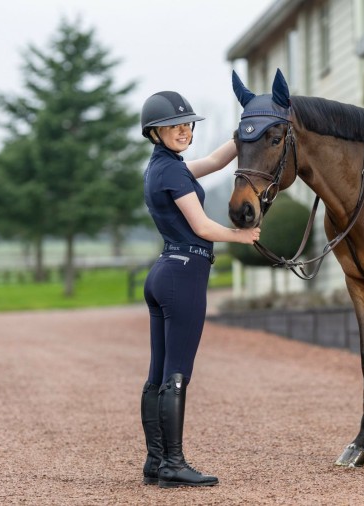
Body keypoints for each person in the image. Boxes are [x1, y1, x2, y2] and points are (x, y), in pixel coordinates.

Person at [138, 91, 259, 488]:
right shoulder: (172, 172)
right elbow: (203, 227)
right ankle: (173, 464)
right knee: (177, 374)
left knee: (157, 374)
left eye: (187, 124)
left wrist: (244, 136)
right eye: (174, 126)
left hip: (164, 270)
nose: (184, 130)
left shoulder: (162, 167)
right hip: (184, 273)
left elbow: (213, 162)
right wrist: (243, 236)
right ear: (154, 133)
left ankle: (156, 462)